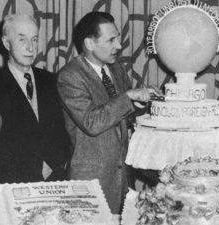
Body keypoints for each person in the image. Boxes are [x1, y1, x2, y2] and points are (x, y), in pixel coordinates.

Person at [57, 11, 160, 214]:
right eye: (111, 40)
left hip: (123, 179)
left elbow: (122, 117)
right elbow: (92, 122)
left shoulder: (117, 71)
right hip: (91, 182)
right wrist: (129, 96)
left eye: (118, 38)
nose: (119, 46)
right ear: (89, 43)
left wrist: (138, 105)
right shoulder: (70, 76)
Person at [0, 14, 70, 183]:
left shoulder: (52, 80)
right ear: (6, 43)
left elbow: (62, 130)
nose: (30, 48)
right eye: (22, 40)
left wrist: (58, 164)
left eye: (35, 39)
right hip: (12, 183)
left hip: (55, 180)